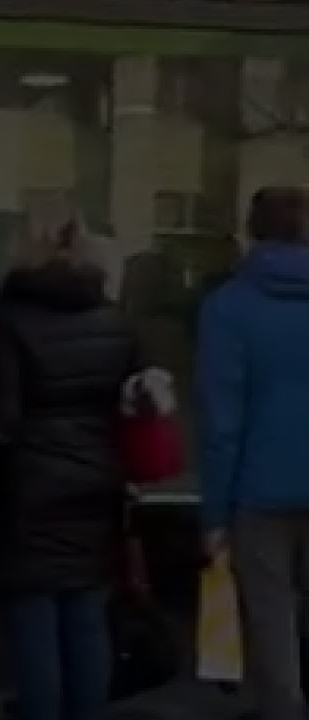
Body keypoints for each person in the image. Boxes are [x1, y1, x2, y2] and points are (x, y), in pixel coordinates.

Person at [0, 212, 138, 720]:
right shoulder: (114, 320)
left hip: (29, 487)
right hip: (96, 481)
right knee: (88, 617)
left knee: (34, 623)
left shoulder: (11, 319)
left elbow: (1, 420)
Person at [197, 186, 309, 720]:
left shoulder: (228, 307)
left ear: (252, 229)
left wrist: (215, 514)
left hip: (259, 490)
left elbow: (222, 423)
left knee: (271, 622)